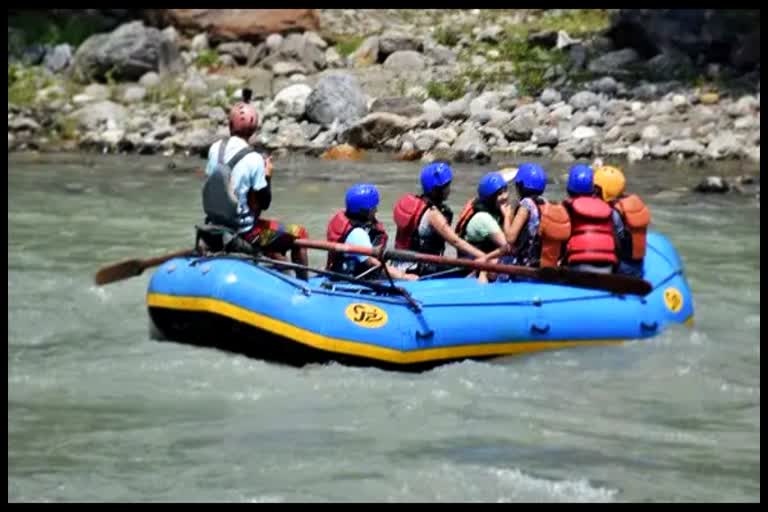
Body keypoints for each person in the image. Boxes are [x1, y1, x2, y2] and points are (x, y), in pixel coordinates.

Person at [200, 100, 310, 279]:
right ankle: (305, 285)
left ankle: (277, 265)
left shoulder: (215, 149)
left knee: (274, 243)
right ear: (254, 129)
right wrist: (267, 175)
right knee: (299, 233)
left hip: (213, 223)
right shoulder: (254, 159)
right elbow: (265, 202)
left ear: (229, 125)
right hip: (245, 232)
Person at [391, 161, 488, 276]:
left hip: (398, 263)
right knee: (467, 267)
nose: (449, 189)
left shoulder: (413, 204)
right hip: (420, 267)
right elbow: (456, 241)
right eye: (446, 186)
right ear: (436, 190)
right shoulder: (433, 214)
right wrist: (484, 256)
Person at [326, 183, 418, 280]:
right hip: (353, 280)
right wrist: (403, 276)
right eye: (373, 208)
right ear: (364, 211)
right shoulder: (357, 234)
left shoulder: (346, 219)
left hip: (340, 272)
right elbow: (373, 263)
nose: (376, 210)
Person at [493, 162, 571, 269]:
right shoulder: (545, 203)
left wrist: (506, 215)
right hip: (540, 263)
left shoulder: (526, 205)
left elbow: (510, 238)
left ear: (520, 186)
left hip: (524, 264)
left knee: (487, 269)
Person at [593, 165, 651, 278]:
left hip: (621, 270)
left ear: (603, 190)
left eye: (596, 188)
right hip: (637, 266)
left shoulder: (612, 213)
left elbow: (614, 244)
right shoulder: (629, 206)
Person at [561, 164, 617, 274]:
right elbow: (615, 239)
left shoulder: (567, 207)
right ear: (593, 190)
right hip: (608, 265)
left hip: (579, 265)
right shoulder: (607, 208)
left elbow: (561, 238)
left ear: (568, 189)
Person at [456, 171, 515, 258]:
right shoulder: (483, 218)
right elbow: (509, 247)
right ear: (490, 199)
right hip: (473, 265)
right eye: (499, 194)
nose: (505, 196)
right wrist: (506, 216)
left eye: (505, 191)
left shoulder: (497, 212)